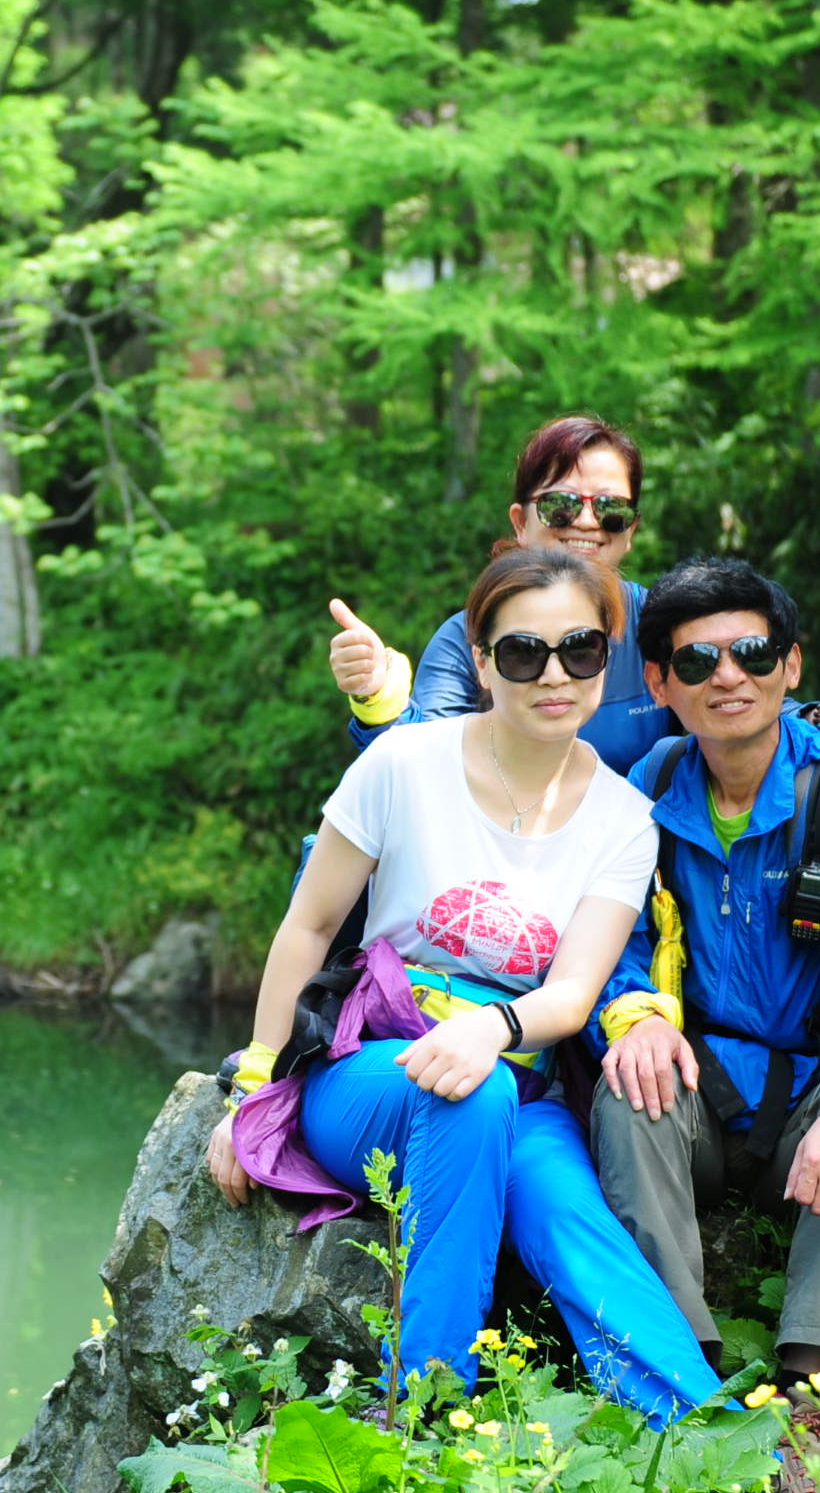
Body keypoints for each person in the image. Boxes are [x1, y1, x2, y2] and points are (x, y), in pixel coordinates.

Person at [208, 546, 723, 1425]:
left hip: (515, 1080)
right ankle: (426, 1410)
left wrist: (491, 1029)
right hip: (371, 1070)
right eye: (523, 653)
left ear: (606, 660)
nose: (554, 675)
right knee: (470, 1095)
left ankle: (713, 1448)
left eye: (580, 651)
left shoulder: (625, 818)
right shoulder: (403, 765)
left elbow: (574, 994)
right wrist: (253, 1085)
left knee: (571, 1219)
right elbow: (309, 926)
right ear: (482, 662)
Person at [585, 555, 820, 1493]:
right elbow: (607, 942)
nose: (727, 675)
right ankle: (687, 1395)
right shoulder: (646, 791)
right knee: (625, 1088)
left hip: (809, 1095)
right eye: (695, 660)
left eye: (752, 651)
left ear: (791, 665)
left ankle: (806, 1409)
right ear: (659, 682)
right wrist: (632, 1015)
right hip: (703, 1089)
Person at [323, 415, 820, 766]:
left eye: (610, 510)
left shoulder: (658, 623)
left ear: (629, 532)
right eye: (560, 505)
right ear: (520, 522)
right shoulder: (470, 636)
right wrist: (378, 696)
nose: (585, 522)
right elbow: (415, 765)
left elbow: (738, 705)